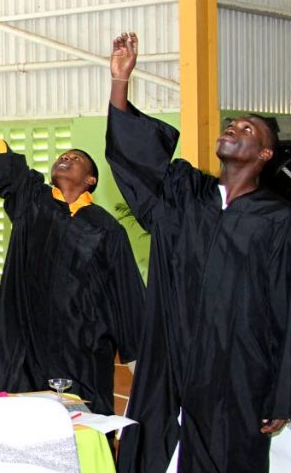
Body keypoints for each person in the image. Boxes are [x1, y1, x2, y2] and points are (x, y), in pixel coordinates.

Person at [107, 32, 291, 473]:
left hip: (240, 368)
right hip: (170, 355)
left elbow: (287, 307)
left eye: (247, 129)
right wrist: (119, 83)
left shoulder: (278, 218)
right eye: (232, 124)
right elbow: (136, 159)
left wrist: (282, 394)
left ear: (265, 153)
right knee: (151, 451)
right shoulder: (186, 194)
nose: (233, 128)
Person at [0, 47, 144, 417]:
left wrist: (141, 368)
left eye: (76, 159)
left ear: (91, 179)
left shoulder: (105, 228)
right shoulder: (33, 199)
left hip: (79, 348)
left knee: (77, 428)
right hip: (22, 341)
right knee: (13, 424)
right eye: (62, 156)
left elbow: (125, 296)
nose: (66, 158)